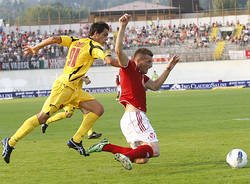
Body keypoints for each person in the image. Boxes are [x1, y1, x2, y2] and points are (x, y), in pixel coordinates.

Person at [2, 21, 119, 164]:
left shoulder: (76, 41)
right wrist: (127, 64)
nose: (106, 38)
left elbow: (54, 39)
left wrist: (36, 47)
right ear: (95, 34)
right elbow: (108, 60)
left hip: (75, 89)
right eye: (104, 35)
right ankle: (10, 142)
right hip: (64, 88)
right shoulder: (94, 46)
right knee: (42, 118)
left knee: (98, 109)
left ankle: (76, 140)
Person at [88, 14, 180, 170]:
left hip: (128, 119)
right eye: (148, 62)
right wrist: (123, 26)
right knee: (155, 150)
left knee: (141, 159)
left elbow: (156, 86)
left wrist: (168, 69)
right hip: (135, 115)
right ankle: (126, 156)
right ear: (139, 60)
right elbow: (118, 49)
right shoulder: (130, 67)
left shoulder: (141, 76)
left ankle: (107, 147)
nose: (151, 65)